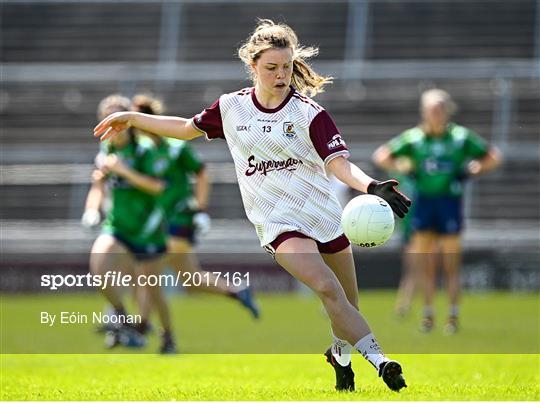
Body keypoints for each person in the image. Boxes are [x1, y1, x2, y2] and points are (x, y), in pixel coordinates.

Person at [94, 20, 410, 392]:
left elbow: (338, 164)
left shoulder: (311, 114)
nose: (281, 75)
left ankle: (340, 357)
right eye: (271, 68)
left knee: (346, 303)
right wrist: (132, 118)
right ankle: (381, 360)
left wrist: (370, 185)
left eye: (287, 68)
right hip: (279, 224)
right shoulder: (232, 108)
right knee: (327, 289)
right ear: (253, 67)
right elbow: (183, 127)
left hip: (324, 217)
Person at [372, 88, 502, 334]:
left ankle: (453, 315)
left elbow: (492, 157)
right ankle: (428, 314)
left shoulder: (460, 138)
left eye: (440, 110)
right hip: (424, 203)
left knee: (451, 263)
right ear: (424, 112)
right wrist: (404, 167)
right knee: (427, 262)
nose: (436, 115)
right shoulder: (414, 138)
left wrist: (471, 170)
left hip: (449, 203)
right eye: (432, 110)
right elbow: (381, 156)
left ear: (447, 111)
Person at [130, 94, 259, 320]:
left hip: (180, 217)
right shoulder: (142, 151)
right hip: (158, 221)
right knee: (191, 279)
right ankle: (237, 292)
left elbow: (201, 173)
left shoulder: (174, 147)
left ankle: (140, 327)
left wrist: (200, 209)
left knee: (147, 269)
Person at [82, 94, 177, 353]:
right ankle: (122, 319)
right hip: (118, 226)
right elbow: (98, 187)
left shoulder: (145, 149)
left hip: (148, 229)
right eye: (106, 119)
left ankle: (168, 336)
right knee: (100, 268)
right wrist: (91, 210)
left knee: (151, 289)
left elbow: (158, 187)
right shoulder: (106, 150)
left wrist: (124, 171)